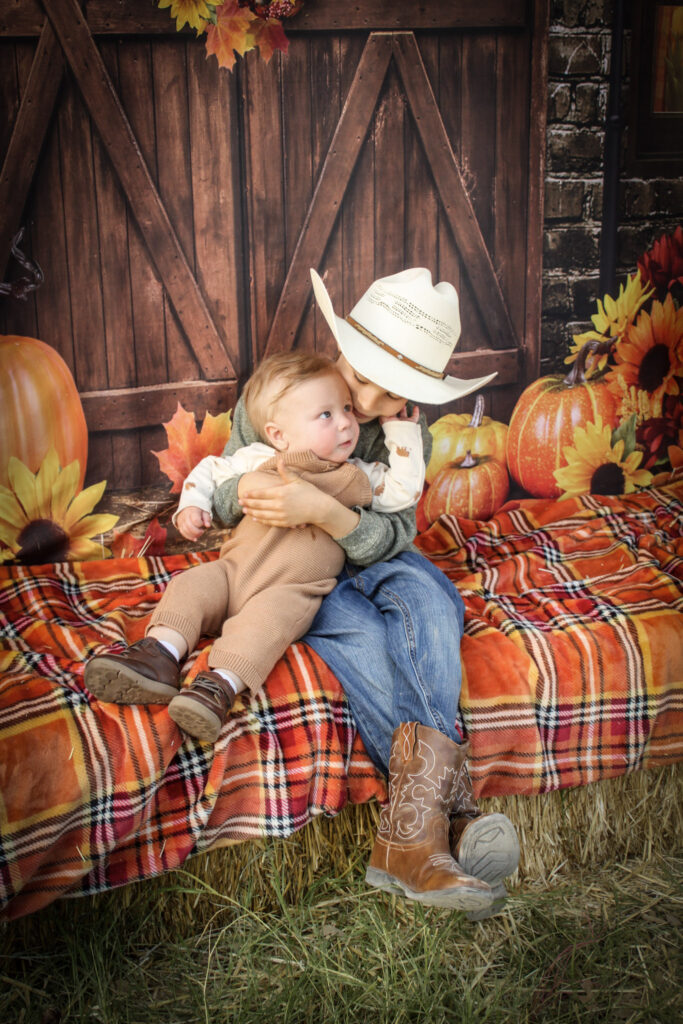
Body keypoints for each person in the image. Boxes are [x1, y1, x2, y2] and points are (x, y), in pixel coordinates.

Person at [208, 267, 520, 917]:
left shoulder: (409, 434)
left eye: (395, 388)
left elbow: (391, 535)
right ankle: (447, 822)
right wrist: (269, 499)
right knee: (363, 633)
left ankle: (416, 837)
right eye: (364, 373)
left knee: (436, 603)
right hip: (296, 564)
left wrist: (320, 509)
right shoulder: (281, 395)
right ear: (342, 343)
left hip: (371, 549)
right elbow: (234, 493)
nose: (372, 399)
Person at [85, 352, 425, 746]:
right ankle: (159, 653)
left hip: (290, 589)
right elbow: (212, 470)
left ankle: (217, 687)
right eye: (327, 415)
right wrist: (192, 505)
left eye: (345, 408)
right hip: (233, 571)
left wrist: (402, 433)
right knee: (191, 586)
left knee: (265, 627)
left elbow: (402, 492)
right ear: (278, 434)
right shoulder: (259, 458)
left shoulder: (353, 477)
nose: (348, 421)